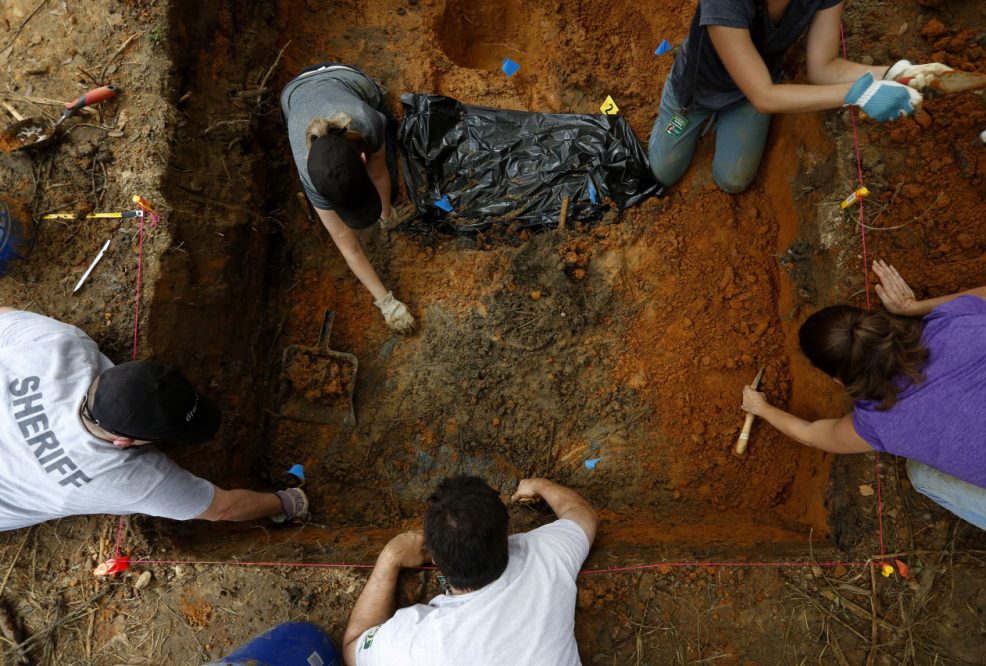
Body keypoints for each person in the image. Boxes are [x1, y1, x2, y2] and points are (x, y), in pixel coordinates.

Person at [741, 260, 986, 537]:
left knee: (922, 476)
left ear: (839, 380)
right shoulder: (957, 322)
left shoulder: (880, 422)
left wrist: (761, 407)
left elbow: (812, 433)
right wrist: (912, 308)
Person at [0, 307, 308, 531]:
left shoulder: (55, 344)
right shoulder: (122, 477)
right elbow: (222, 508)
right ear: (126, 443)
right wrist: (285, 502)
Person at [647, 0, 950, 193]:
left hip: (755, 86)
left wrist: (893, 73)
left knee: (732, 181)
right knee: (663, 173)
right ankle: (682, 111)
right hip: (698, 89)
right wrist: (862, 92)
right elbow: (764, 97)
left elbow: (824, 67)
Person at [342, 475, 599, 665]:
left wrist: (389, 558)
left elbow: (354, 646)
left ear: (433, 559)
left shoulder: (416, 642)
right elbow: (581, 514)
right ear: (506, 536)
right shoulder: (546, 557)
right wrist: (539, 485)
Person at [280, 64, 415, 334]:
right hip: (292, 94)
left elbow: (379, 174)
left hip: (345, 77)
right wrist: (386, 303)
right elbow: (348, 246)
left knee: (385, 134)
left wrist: (386, 216)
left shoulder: (366, 120)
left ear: (361, 157)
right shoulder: (312, 177)